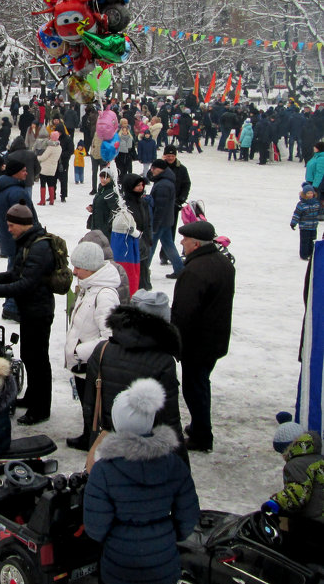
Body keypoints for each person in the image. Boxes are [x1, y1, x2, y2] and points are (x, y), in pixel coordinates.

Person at [83, 379, 199, 584]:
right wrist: (166, 534)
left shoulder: (103, 470)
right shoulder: (173, 464)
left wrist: (118, 539)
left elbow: (95, 527)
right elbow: (188, 516)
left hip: (119, 563)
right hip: (163, 560)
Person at [82, 289, 188, 463]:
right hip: (146, 453)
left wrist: (94, 439)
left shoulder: (102, 350)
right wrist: (182, 466)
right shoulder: (163, 361)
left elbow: (90, 405)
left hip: (106, 446)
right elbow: (170, 420)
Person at [0, 204, 60, 425]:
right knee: (29, 357)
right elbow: (18, 273)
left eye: (11, 225)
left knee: (38, 361)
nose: (8, 229)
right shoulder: (28, 242)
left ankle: (41, 408)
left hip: (39, 311)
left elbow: (27, 284)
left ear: (23, 224)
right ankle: (34, 397)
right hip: (30, 309)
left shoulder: (39, 248)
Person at [170, 220, 235, 453]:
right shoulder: (223, 263)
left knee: (194, 388)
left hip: (197, 343)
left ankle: (201, 436)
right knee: (201, 383)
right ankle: (199, 425)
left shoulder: (195, 271)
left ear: (196, 244)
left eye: (185, 240)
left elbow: (184, 313)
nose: (181, 243)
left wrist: (174, 342)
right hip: (215, 338)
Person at [64, 241, 120, 449]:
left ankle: (93, 440)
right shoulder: (89, 288)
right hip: (84, 363)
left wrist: (80, 352)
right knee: (87, 404)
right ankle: (89, 435)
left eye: (78, 267)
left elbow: (109, 335)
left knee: (93, 405)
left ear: (91, 268)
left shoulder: (104, 295)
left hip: (91, 363)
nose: (74, 271)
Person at [262, 414, 324, 563]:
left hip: (315, 524)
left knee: (296, 549)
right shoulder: (319, 459)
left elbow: (297, 496)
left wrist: (275, 502)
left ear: (289, 447)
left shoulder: (296, 465)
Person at [146, 159, 184, 278]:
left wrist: (154, 226)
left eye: (154, 168)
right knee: (168, 245)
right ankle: (180, 269)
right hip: (167, 220)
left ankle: (143, 271)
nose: (152, 170)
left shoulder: (163, 185)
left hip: (160, 221)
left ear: (161, 169)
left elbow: (160, 208)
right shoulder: (165, 180)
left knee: (150, 246)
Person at [121, 173, 153, 290]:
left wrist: (148, 239)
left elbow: (148, 222)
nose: (141, 187)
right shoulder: (123, 204)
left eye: (142, 185)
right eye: (137, 185)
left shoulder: (142, 202)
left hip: (142, 244)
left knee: (143, 271)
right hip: (129, 245)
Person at [291, 184, 321, 261]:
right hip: (304, 227)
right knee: (305, 241)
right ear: (304, 194)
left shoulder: (316, 203)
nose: (310, 195)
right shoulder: (301, 204)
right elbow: (296, 214)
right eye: (308, 193)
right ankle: (304, 255)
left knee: (312, 241)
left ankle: (311, 254)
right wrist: (293, 223)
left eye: (311, 193)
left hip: (313, 226)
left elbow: (320, 212)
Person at [87, 169, 117, 239]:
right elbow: (101, 204)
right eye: (101, 177)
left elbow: (114, 211)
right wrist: (92, 207)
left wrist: (107, 227)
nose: (103, 180)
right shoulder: (101, 189)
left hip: (105, 230)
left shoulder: (112, 192)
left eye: (106, 178)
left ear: (111, 179)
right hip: (96, 226)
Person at [36, 131, 62, 205]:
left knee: (43, 184)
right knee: (51, 184)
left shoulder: (50, 148)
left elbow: (43, 157)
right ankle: (51, 200)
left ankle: (42, 200)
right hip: (53, 168)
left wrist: (37, 157)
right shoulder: (59, 147)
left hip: (45, 168)